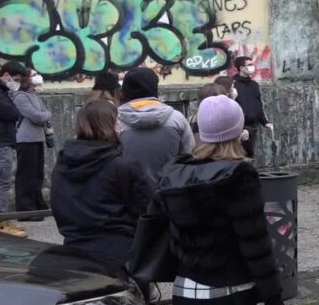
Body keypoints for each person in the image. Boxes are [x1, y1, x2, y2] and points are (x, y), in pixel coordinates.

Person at [156, 95, 284, 305]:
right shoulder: (240, 175)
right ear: (238, 129)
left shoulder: (177, 172)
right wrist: (273, 294)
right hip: (232, 291)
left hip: (188, 288)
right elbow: (254, 238)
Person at [51, 101, 151, 271]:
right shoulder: (123, 164)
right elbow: (146, 207)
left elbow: (57, 201)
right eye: (117, 120)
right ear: (110, 125)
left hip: (74, 247)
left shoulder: (63, 161)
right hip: (119, 253)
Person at [118, 68, 194, 186]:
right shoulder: (176, 119)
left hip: (129, 197)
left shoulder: (115, 122)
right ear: (154, 87)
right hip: (170, 195)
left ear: (125, 90)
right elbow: (189, 158)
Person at [0, 62, 25, 237]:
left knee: (0, 181)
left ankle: (2, 218)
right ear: (6, 75)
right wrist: (12, 94)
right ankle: (0, 221)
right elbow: (12, 113)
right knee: (2, 182)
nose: (16, 83)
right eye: (15, 79)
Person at [12, 68, 52, 219]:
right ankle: (26, 210)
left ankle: (38, 205)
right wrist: (46, 115)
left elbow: (44, 113)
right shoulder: (20, 97)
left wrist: (45, 115)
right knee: (26, 175)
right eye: (34, 75)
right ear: (25, 79)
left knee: (37, 174)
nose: (37, 77)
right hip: (25, 139)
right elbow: (36, 116)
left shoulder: (33, 95)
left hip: (37, 138)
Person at [233, 56, 273, 159]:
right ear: (241, 68)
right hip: (239, 127)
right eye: (249, 65)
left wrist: (265, 122)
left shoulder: (254, 85)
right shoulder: (233, 84)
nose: (252, 67)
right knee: (238, 155)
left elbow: (258, 104)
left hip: (253, 126)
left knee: (249, 155)